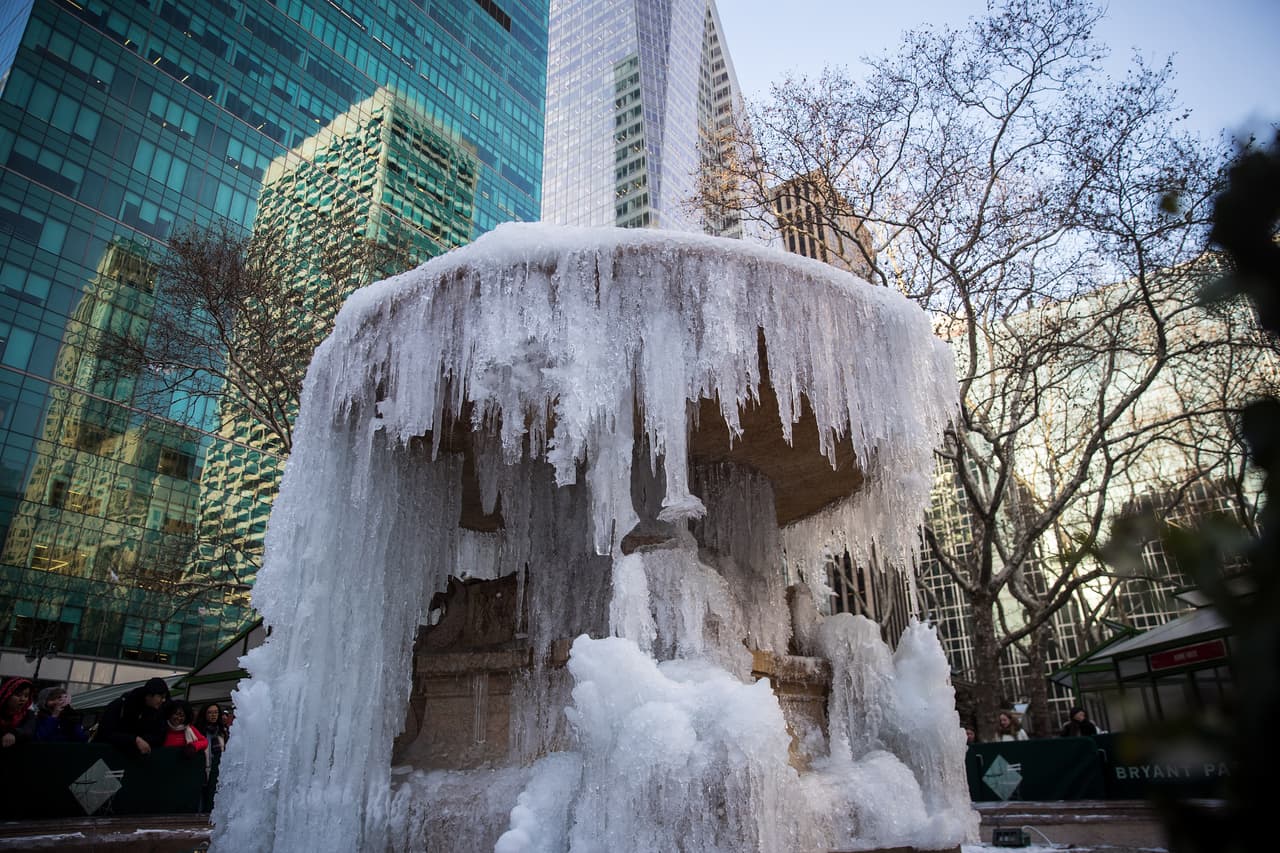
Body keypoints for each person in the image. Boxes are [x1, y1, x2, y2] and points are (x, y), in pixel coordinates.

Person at [94, 677, 170, 754]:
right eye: (161, 697)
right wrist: (134, 740)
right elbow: (106, 732)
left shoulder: (158, 712)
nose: (163, 700)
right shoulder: (120, 705)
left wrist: (139, 740)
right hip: (106, 756)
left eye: (164, 697)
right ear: (149, 695)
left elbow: (159, 737)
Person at [0, 676, 35, 748]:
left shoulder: (28, 714)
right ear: (7, 695)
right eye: (18, 695)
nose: (23, 699)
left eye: (26, 696)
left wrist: (14, 733)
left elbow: (29, 729)